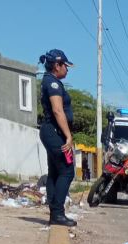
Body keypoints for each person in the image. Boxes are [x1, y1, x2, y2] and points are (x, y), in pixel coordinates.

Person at [38, 49, 77, 227]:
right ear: (57, 65)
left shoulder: (51, 81)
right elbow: (57, 110)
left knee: (55, 172)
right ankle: (58, 213)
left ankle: (55, 213)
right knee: (67, 171)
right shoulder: (52, 83)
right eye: (65, 66)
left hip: (53, 132)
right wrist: (68, 135)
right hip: (54, 132)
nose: (67, 70)